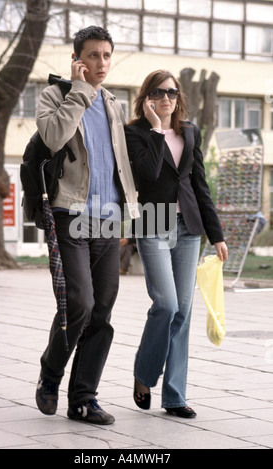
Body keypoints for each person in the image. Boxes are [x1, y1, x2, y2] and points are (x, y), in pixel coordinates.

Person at [35, 25, 138, 425]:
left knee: (103, 311)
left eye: (107, 55)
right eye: (92, 55)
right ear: (77, 59)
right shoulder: (55, 95)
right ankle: (51, 372)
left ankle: (83, 398)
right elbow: (54, 137)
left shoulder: (114, 103)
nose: (101, 63)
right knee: (79, 303)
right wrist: (79, 93)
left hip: (108, 219)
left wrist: (129, 211)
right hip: (70, 213)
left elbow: (119, 164)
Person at [125, 70, 228, 419]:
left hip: (188, 228)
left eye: (171, 91)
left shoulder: (191, 132)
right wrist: (155, 129)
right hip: (153, 221)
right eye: (157, 92)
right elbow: (149, 174)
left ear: (178, 96)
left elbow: (200, 184)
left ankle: (174, 396)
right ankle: (144, 374)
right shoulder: (134, 132)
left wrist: (216, 234)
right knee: (166, 305)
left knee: (183, 312)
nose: (166, 97)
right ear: (146, 97)